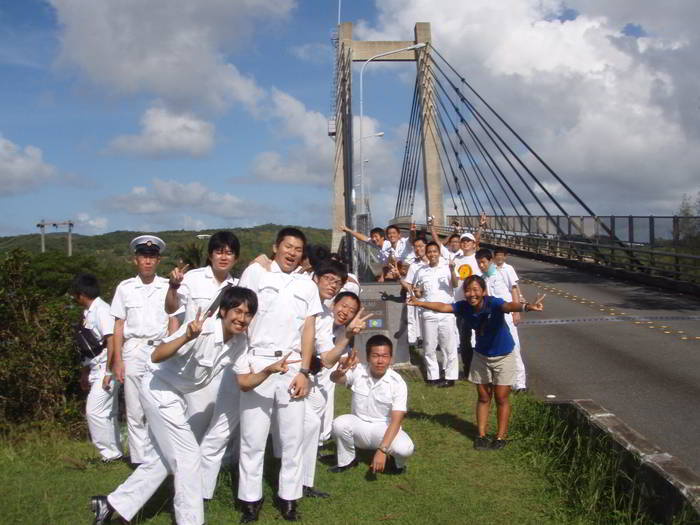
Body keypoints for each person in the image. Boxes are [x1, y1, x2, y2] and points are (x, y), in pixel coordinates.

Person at [90, 287, 259, 525]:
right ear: (223, 311)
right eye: (237, 311)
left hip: (177, 395)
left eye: (248, 314)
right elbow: (156, 355)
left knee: (163, 461)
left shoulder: (239, 342)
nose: (242, 318)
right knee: (188, 457)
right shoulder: (200, 329)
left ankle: (110, 505)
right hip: (158, 389)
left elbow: (244, 382)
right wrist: (187, 337)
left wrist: (270, 371)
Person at [235, 227, 322, 523]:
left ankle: (289, 498)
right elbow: (240, 315)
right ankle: (250, 500)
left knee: (292, 438)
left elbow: (308, 329)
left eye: (298, 249)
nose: (292, 253)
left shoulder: (307, 285)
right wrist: (244, 362)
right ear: (275, 247)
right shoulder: (255, 274)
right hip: (258, 360)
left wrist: (305, 371)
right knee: (252, 438)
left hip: (292, 364)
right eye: (288, 246)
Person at [409, 276, 544, 450]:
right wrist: (419, 303)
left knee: (501, 397)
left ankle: (501, 437)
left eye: (475, 290)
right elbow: (443, 307)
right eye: (468, 290)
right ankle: (481, 435)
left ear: (483, 291)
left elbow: (509, 306)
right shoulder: (464, 306)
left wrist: (527, 307)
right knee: (483, 397)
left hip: (504, 355)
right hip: (481, 356)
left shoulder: (493, 303)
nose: (471, 294)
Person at [164, 230, 241, 488]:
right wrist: (173, 286)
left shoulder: (238, 286)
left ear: (236, 258)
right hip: (193, 359)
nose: (223, 257)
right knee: (196, 420)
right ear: (210, 255)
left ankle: (208, 475)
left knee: (217, 420)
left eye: (229, 252)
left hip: (222, 359)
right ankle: (182, 476)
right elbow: (171, 308)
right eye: (219, 251)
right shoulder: (193, 278)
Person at [110, 235, 169, 464]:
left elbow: (173, 320)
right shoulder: (125, 288)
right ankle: (139, 459)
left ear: (158, 260)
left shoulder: (167, 287)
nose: (148, 261)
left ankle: (158, 456)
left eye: (152, 257)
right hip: (133, 349)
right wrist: (117, 360)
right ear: (135, 259)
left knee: (158, 405)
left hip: (159, 349)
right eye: (144, 256)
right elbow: (118, 326)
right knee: (135, 408)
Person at [329, 334, 415, 475]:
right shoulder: (359, 371)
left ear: (391, 358)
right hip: (359, 425)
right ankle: (348, 460)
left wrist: (382, 450)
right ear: (368, 358)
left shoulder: (397, 383)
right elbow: (334, 379)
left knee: (405, 448)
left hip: (383, 428)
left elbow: (396, 421)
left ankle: (396, 464)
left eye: (385, 356)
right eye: (375, 356)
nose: (380, 361)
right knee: (339, 424)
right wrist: (339, 372)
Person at [73, 273, 123, 463]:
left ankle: (109, 453)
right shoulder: (88, 313)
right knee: (107, 413)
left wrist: (109, 371)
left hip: (106, 366)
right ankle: (115, 451)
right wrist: (84, 372)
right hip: (95, 366)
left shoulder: (102, 310)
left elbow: (111, 341)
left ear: (81, 294)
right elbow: (87, 347)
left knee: (94, 411)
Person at [476, 248, 526, 392]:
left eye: (483, 262)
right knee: (498, 348)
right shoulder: (482, 279)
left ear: (490, 261)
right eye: (479, 263)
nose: (481, 265)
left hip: (507, 315)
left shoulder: (503, 272)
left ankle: (520, 384)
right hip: (493, 318)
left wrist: (516, 311)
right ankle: (503, 382)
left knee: (514, 347)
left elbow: (514, 289)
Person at [411, 241, 460, 387]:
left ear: (439, 253)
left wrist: (452, 270)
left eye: (435, 251)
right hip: (428, 313)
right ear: (426, 254)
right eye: (429, 252)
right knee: (429, 346)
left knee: (449, 346)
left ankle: (450, 377)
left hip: (446, 313)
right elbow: (419, 292)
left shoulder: (447, 267)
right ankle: (433, 377)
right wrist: (417, 293)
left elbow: (455, 284)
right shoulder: (421, 271)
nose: (432, 254)